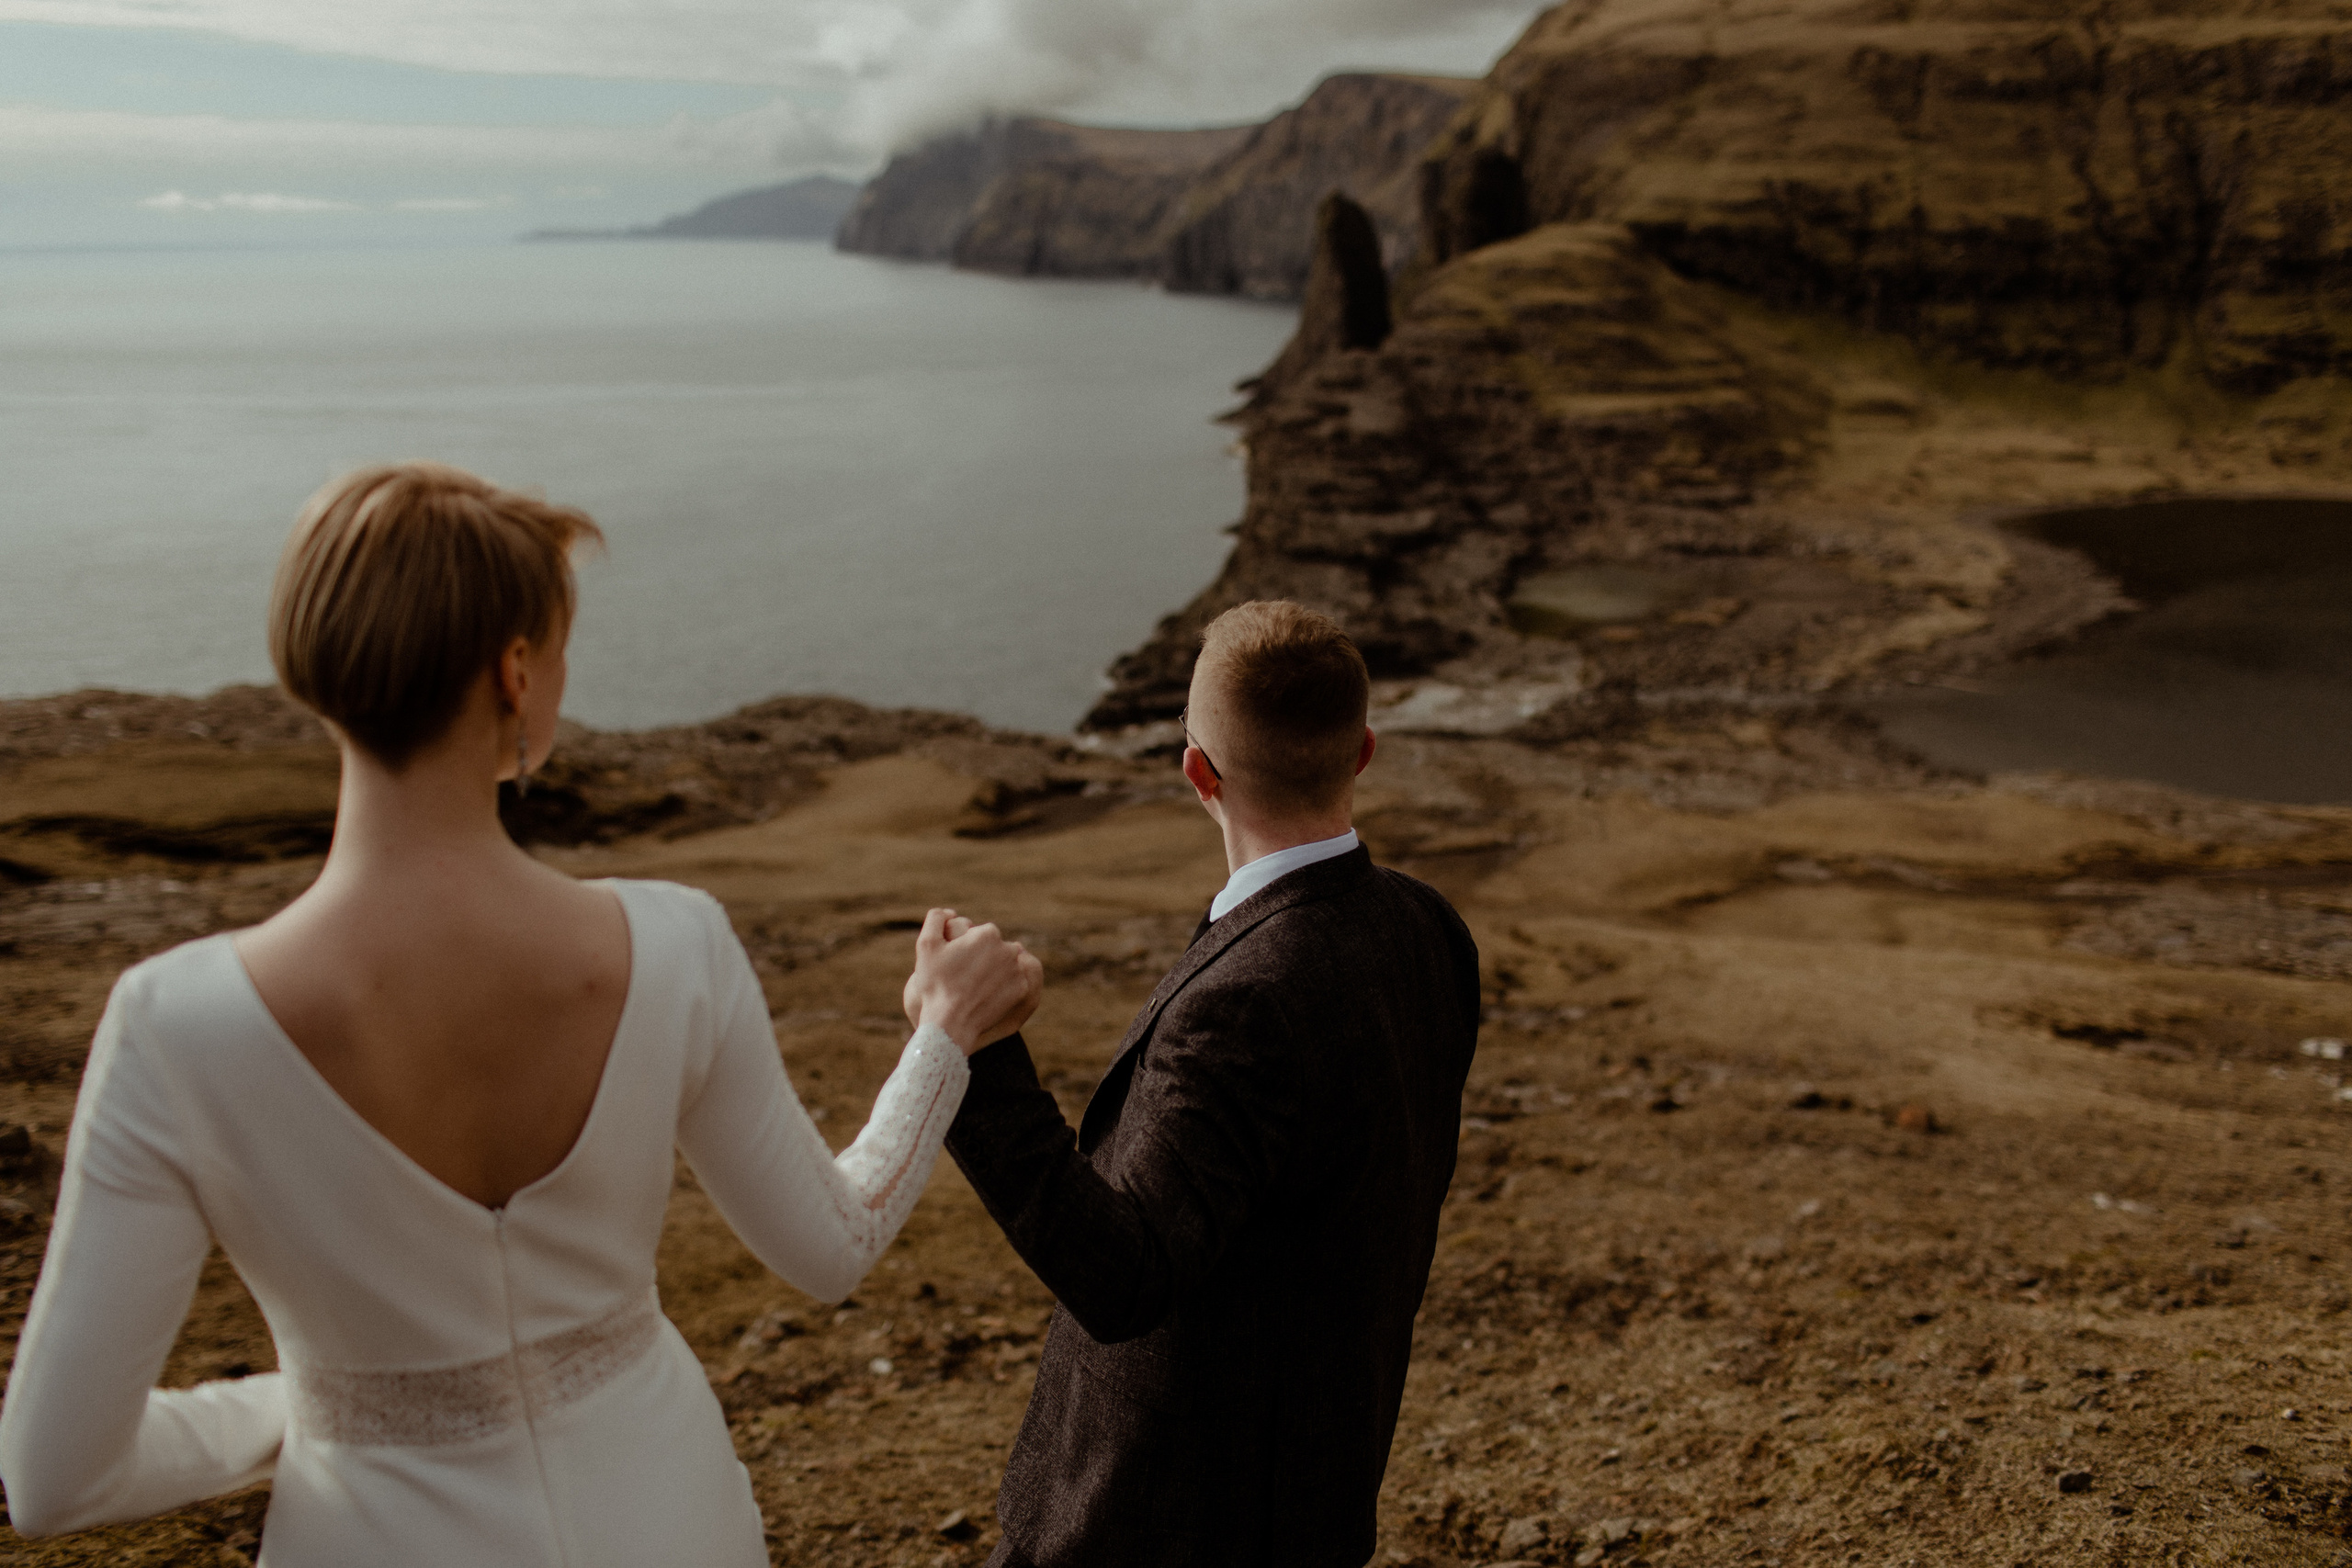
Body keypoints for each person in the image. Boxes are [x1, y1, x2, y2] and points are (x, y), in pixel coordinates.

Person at [0, 462, 1041, 1566]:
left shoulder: (173, 1026)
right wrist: (940, 1034)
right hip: (669, 1525)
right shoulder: (675, 944)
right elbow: (831, 1247)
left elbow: (56, 1477)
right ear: (513, 671)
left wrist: (337, 1404)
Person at [941, 600, 1483, 1566]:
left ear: (1196, 769)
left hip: (1168, 1520)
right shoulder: (1426, 927)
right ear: (1362, 750)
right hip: (1316, 1487)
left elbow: (1127, 1275)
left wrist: (972, 1050)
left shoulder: (1243, 1000)